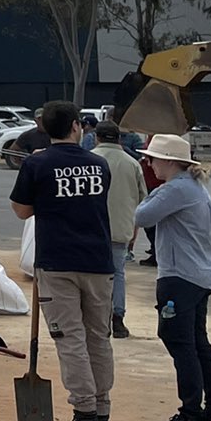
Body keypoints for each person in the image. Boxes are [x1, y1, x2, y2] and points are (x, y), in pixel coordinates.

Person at [8, 102, 115, 421]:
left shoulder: (37, 164)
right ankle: (101, 414)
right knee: (99, 337)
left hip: (57, 263)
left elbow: (22, 211)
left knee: (70, 339)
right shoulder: (100, 165)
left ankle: (84, 418)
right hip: (98, 262)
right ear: (75, 127)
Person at [132, 134, 211, 421]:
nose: (148, 163)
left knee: (180, 342)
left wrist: (153, 192)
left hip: (180, 276)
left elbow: (141, 215)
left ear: (170, 161)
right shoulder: (193, 186)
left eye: (153, 158)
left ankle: (191, 413)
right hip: (198, 275)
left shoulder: (175, 189)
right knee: (198, 344)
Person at [97, 120, 144, 339]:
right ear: (118, 138)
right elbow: (143, 200)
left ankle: (98, 320)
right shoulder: (132, 164)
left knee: (94, 277)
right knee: (117, 274)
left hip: (91, 229)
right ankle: (118, 320)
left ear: (97, 137)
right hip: (121, 229)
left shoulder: (89, 160)